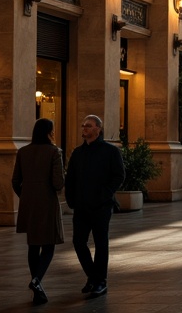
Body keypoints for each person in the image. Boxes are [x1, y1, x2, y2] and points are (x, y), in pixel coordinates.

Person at [66, 114, 125, 298]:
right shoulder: (78, 153)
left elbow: (119, 176)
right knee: (78, 242)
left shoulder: (110, 151)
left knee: (101, 243)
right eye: (83, 125)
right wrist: (72, 200)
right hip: (81, 206)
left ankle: (100, 282)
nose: (84, 128)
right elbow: (71, 178)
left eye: (89, 126)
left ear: (98, 129)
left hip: (101, 206)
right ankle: (93, 276)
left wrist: (104, 194)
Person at [12, 118, 64, 305]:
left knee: (33, 245)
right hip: (47, 202)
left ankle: (38, 292)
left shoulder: (23, 152)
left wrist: (26, 195)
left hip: (28, 203)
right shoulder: (54, 152)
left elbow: (15, 181)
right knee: (49, 245)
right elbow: (58, 182)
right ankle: (37, 281)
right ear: (49, 132)